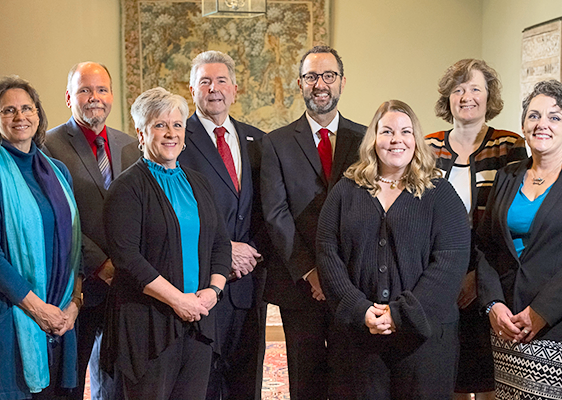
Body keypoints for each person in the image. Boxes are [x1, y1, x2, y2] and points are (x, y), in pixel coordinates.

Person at [316, 100, 470, 399]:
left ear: (416, 140)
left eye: (405, 132)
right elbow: (327, 252)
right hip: (359, 339)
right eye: (386, 131)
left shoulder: (439, 193)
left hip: (423, 341)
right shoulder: (347, 189)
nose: (396, 139)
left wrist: (400, 314)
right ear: (373, 139)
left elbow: (450, 261)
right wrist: (360, 310)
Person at [476, 80, 562, 400]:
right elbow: (486, 247)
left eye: (555, 117)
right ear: (523, 125)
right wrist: (492, 304)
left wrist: (540, 311)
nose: (542, 124)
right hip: (507, 320)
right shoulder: (507, 175)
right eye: (534, 115)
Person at [0, 76, 82, 399]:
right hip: (8, 308)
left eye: (27, 108)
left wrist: (73, 305)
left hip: (59, 308)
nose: (20, 116)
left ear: (38, 115)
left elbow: (73, 243)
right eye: (8, 110)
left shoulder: (58, 171)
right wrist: (39, 309)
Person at [102, 87, 232, 400]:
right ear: (141, 132)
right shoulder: (127, 188)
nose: (170, 133)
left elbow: (220, 243)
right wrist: (178, 300)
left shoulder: (198, 181)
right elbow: (128, 259)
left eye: (177, 125)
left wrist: (213, 292)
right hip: (148, 324)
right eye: (160, 125)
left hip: (198, 320)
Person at [261, 45, 366, 400]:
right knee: (304, 381)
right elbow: (276, 214)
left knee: (348, 378)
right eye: (311, 76)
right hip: (299, 285)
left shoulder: (367, 139)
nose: (320, 84)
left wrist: (336, 275)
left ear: (342, 82)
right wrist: (311, 271)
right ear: (299, 83)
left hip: (352, 283)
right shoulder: (274, 143)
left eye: (328, 76)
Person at [425, 58, 527, 400]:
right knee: (448, 371)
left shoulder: (508, 145)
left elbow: (509, 214)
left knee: (488, 374)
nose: (466, 96)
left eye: (475, 89)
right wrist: (449, 275)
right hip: (438, 270)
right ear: (447, 98)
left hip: (491, 267)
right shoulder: (428, 146)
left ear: (489, 96)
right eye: (458, 89)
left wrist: (477, 279)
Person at [43, 61, 139, 400]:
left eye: (101, 89)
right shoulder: (48, 145)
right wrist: (100, 264)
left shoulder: (129, 144)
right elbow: (57, 218)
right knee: (70, 378)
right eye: (84, 90)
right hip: (78, 281)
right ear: (69, 97)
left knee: (119, 376)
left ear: (112, 96)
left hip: (126, 283)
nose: (94, 97)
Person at [177, 50, 268, 400]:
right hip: (200, 281)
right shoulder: (177, 138)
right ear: (192, 89)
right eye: (204, 81)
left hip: (248, 281)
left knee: (247, 377)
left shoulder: (258, 140)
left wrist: (251, 254)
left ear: (235, 89)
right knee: (203, 379)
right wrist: (223, 249)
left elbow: (267, 208)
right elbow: (177, 211)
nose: (213, 89)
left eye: (221, 81)